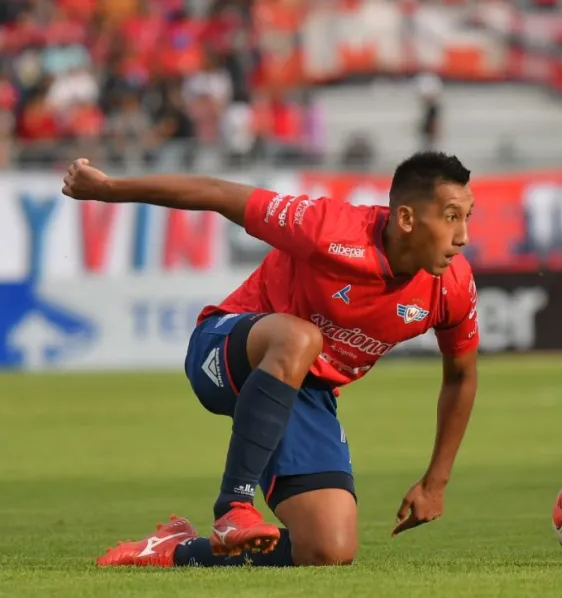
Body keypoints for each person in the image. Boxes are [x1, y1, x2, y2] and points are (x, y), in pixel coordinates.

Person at [60, 151, 480, 568]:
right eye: (450, 217)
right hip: (225, 350)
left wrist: (435, 483)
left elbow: (460, 378)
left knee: (328, 549)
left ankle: (175, 550)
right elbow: (215, 192)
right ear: (406, 219)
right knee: (300, 337)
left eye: (467, 218)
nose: (462, 235)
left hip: (305, 391)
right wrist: (107, 188)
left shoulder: (453, 286)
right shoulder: (327, 228)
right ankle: (233, 507)